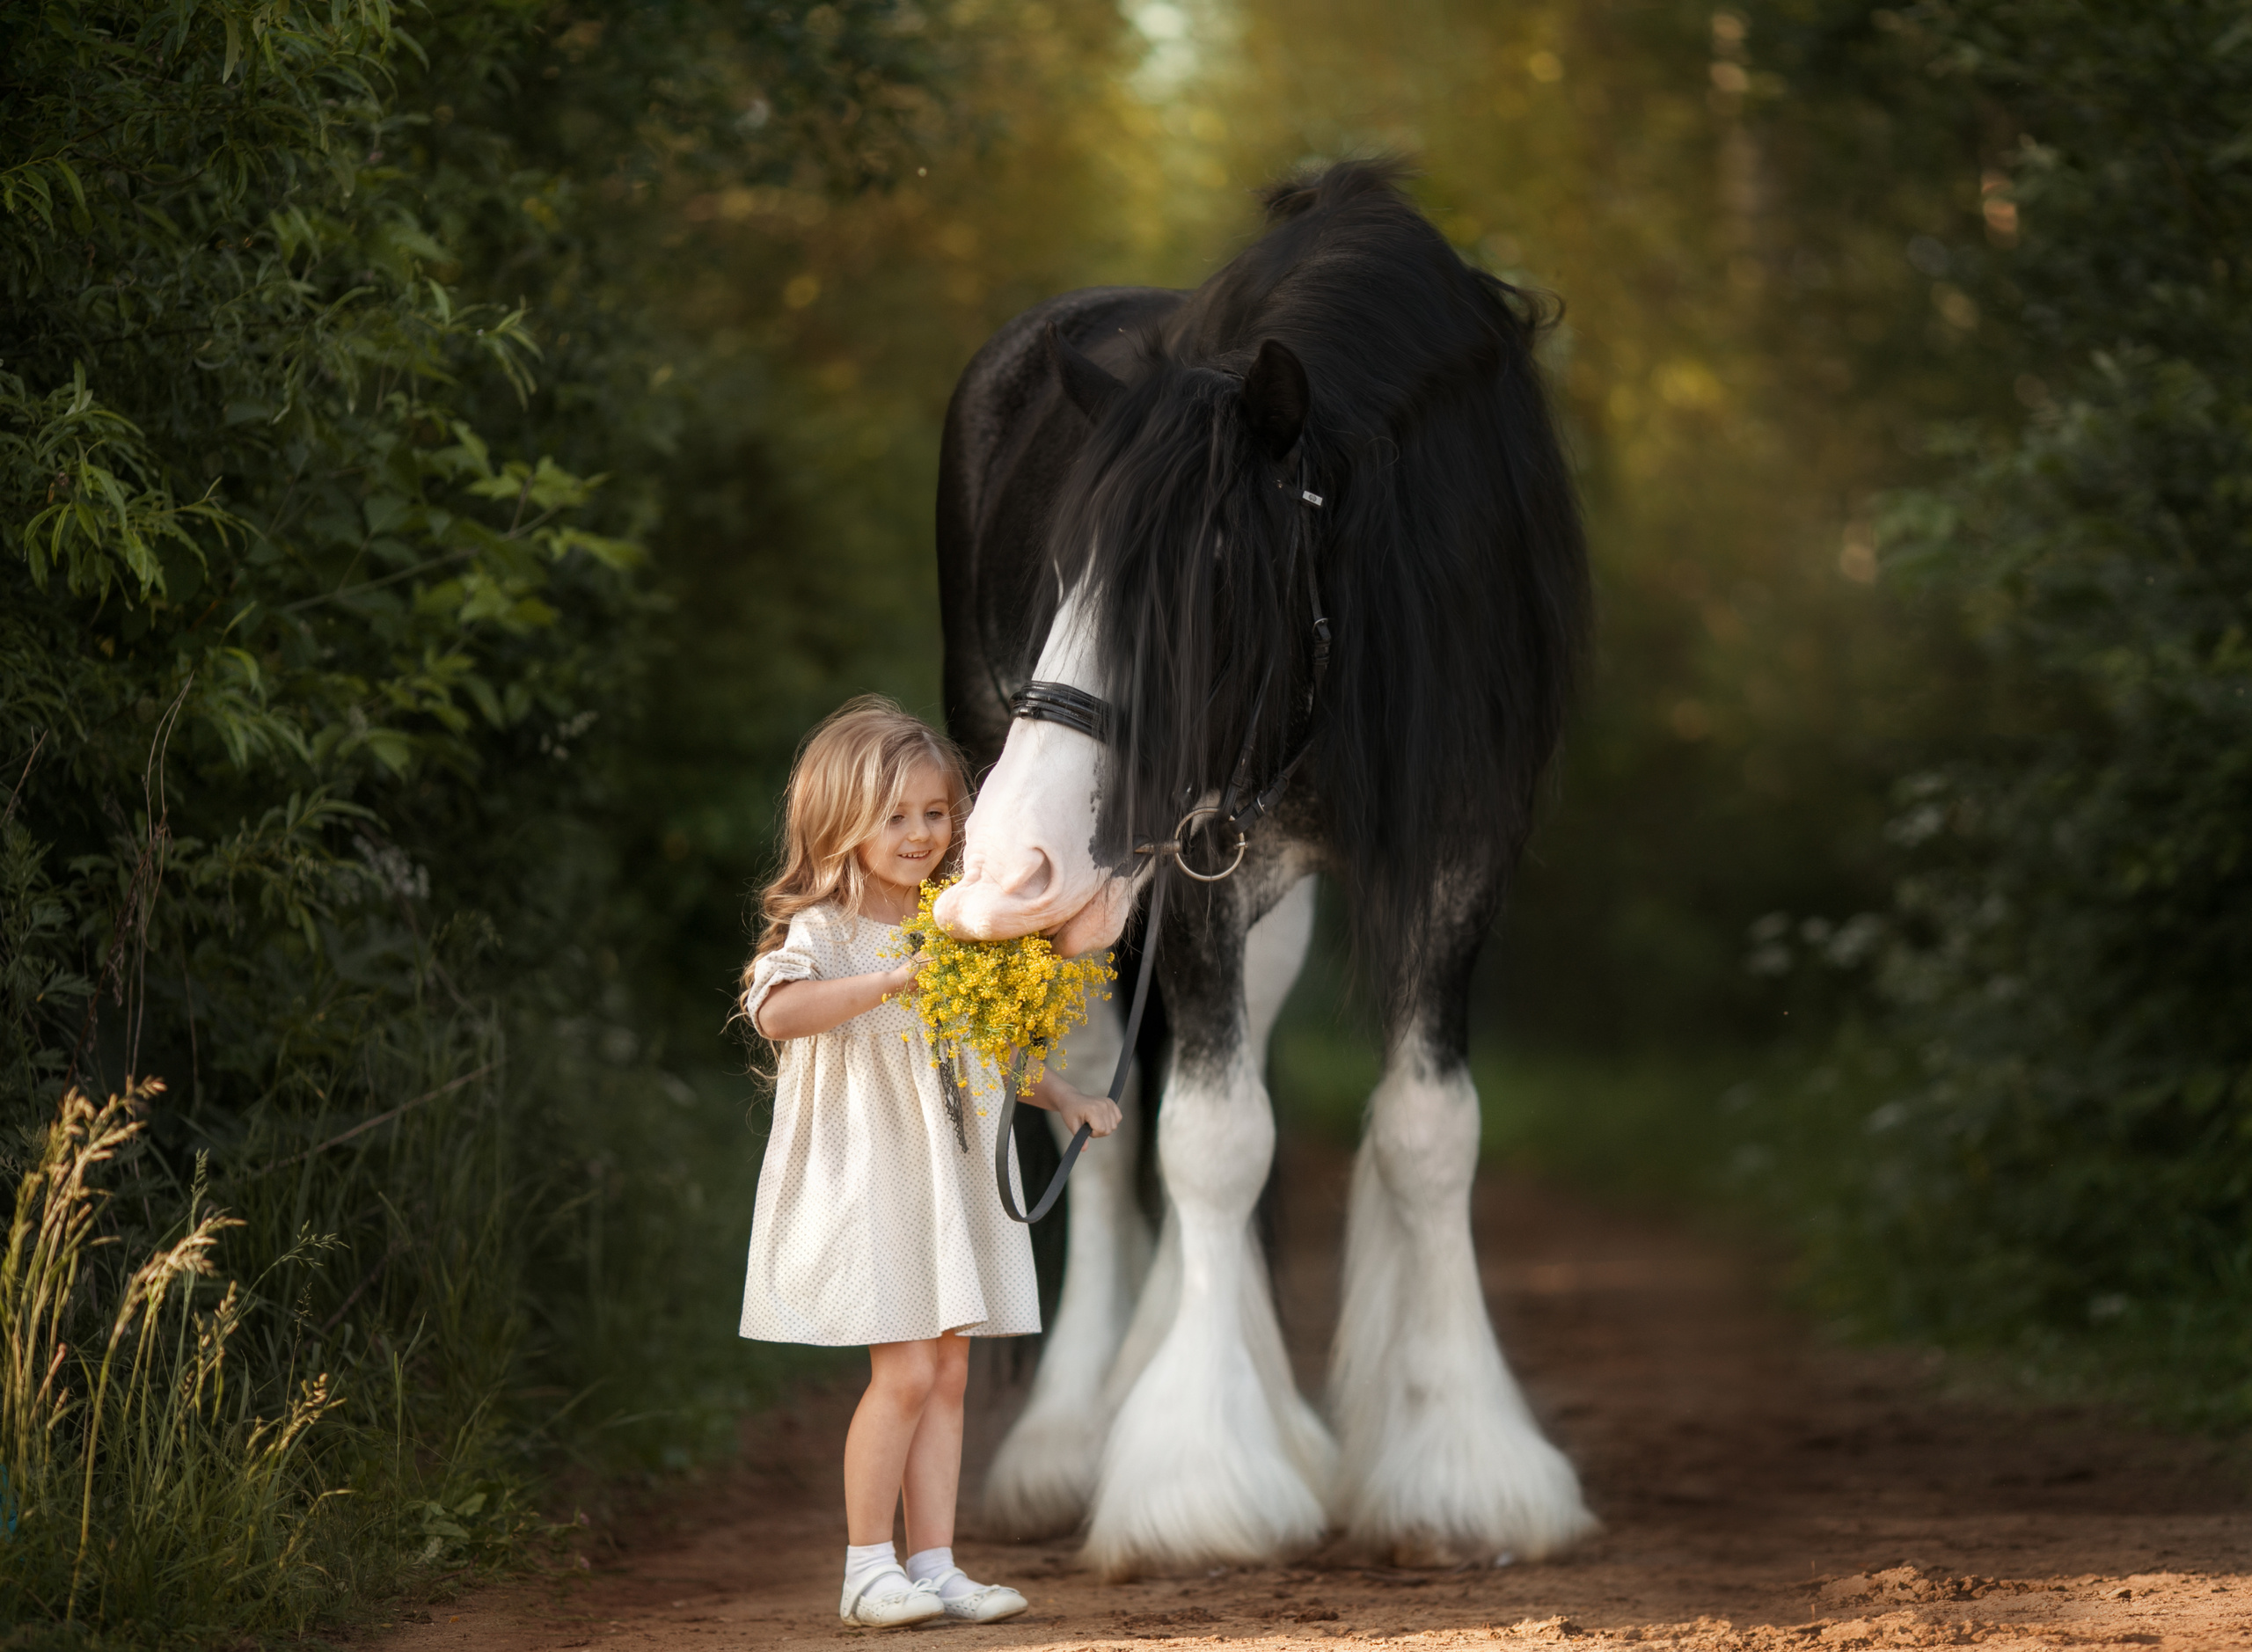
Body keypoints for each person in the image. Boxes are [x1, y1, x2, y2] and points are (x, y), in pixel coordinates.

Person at [738, 696, 1122, 1629]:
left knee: (948, 1376)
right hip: (875, 1174)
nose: (920, 834)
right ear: (842, 821)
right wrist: (888, 980)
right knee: (907, 1374)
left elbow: (986, 1046)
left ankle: (936, 1565)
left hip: (948, 1176)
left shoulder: (953, 921)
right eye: (895, 816)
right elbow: (775, 1013)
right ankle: (866, 1568)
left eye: (936, 813)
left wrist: (1064, 1096)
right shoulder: (826, 929)